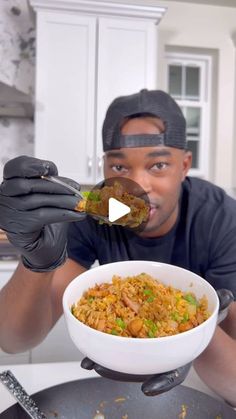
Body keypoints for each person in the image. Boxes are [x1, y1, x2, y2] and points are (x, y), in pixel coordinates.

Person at [0, 89, 235, 405]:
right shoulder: (98, 211)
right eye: (120, 168)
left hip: (208, 381)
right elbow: (13, 340)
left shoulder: (221, 219)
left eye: (158, 165)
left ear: (184, 164)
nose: (139, 188)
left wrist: (194, 337)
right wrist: (36, 262)